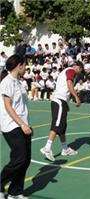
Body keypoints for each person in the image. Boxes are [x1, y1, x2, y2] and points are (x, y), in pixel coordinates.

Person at [0, 54, 32, 199]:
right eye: (25, 65)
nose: (26, 68)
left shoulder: (19, 82)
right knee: (19, 158)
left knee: (25, 160)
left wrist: (26, 125)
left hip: (23, 124)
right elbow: (8, 106)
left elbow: (22, 106)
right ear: (19, 65)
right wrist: (22, 124)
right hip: (11, 125)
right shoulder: (7, 82)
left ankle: (15, 192)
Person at [40, 61, 83, 161]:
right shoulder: (71, 70)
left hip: (62, 101)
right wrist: (76, 97)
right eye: (80, 69)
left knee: (62, 126)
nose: (79, 72)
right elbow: (69, 83)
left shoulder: (67, 71)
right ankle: (47, 148)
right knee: (57, 124)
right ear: (77, 67)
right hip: (59, 100)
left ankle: (65, 149)